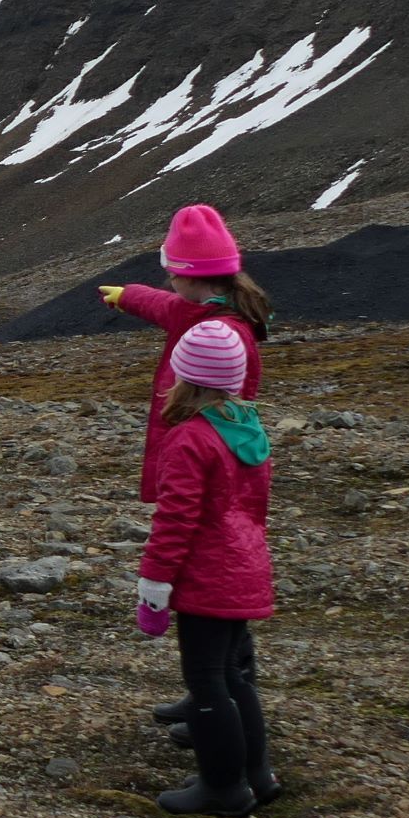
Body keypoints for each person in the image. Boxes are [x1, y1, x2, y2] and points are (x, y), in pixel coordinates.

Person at [99, 203, 274, 750]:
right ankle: (212, 691)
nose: (168, 282)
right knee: (218, 602)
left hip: (212, 478)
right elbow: (165, 306)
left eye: (172, 271)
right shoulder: (211, 312)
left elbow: (182, 513)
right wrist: (127, 296)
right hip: (229, 488)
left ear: (188, 275)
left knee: (210, 602)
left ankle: (216, 700)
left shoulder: (215, 334)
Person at [132, 319, 280, 815]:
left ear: (185, 378)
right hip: (244, 566)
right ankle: (258, 773)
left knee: (206, 680)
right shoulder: (247, 427)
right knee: (235, 675)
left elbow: (177, 519)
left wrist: (155, 581)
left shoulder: (190, 439)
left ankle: (223, 786)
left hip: (208, 578)